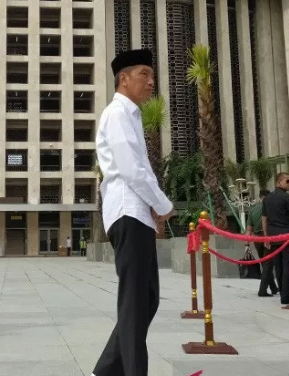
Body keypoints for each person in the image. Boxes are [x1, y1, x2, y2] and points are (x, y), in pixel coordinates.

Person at [92, 49, 174, 376]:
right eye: (144, 74)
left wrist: (153, 207)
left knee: (146, 299)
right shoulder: (116, 113)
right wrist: (163, 205)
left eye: (152, 76)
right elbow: (130, 169)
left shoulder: (132, 115)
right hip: (127, 211)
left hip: (136, 212)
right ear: (123, 78)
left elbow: (142, 168)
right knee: (135, 301)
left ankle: (107, 371)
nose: (151, 82)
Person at [259, 173, 289, 305]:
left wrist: (266, 236)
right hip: (287, 236)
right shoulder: (287, 198)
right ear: (278, 183)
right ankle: (286, 296)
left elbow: (264, 219)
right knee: (288, 265)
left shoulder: (267, 199)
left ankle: (284, 294)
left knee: (279, 266)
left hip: (274, 236)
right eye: (287, 181)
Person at [246, 189, 278, 296]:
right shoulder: (270, 208)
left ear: (260, 197)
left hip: (256, 239)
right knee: (268, 264)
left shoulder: (252, 210)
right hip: (267, 237)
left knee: (264, 264)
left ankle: (273, 288)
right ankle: (263, 290)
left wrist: (247, 243)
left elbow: (249, 229)